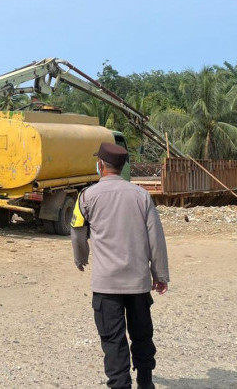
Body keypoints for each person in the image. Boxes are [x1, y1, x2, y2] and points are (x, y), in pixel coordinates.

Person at [71, 142, 169, 389]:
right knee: (142, 336)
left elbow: (77, 232)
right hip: (138, 284)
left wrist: (81, 258)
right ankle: (145, 383)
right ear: (123, 166)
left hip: (106, 286)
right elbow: (155, 238)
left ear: (100, 165)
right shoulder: (142, 196)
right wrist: (160, 275)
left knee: (113, 341)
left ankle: (120, 385)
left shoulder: (86, 197)